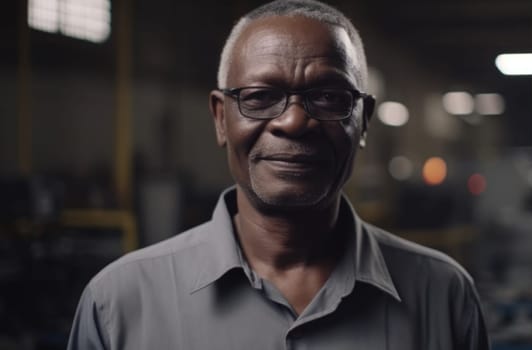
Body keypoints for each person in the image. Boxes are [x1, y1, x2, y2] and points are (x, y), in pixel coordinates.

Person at [67, 0, 490, 349]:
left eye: (327, 96)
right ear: (220, 118)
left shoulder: (444, 297)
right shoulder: (119, 305)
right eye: (261, 96)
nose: (292, 121)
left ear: (363, 120)